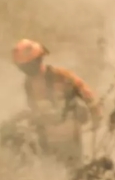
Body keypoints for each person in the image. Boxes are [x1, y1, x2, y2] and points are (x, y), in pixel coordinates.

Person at [12, 39, 101, 170]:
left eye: (28, 66)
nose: (26, 70)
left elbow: (85, 92)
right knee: (51, 171)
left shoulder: (61, 76)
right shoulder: (28, 84)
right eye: (23, 67)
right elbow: (34, 108)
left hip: (70, 136)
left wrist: (96, 115)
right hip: (47, 138)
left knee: (74, 171)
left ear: (38, 60)